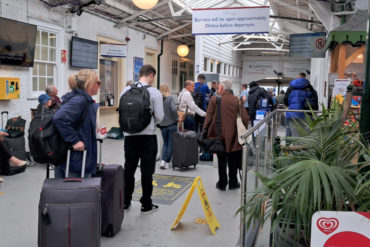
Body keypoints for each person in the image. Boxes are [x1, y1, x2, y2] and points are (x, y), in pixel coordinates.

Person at [121, 64, 164, 214]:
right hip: (148, 137)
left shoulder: (126, 90)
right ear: (151, 75)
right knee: (147, 172)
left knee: (129, 170)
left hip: (129, 137)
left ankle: (125, 202)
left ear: (140, 74)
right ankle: (146, 204)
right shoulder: (154, 92)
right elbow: (159, 117)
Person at [53, 69, 101, 178]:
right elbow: (59, 118)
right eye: (98, 82)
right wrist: (74, 140)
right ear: (89, 84)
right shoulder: (80, 100)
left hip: (75, 158)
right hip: (76, 159)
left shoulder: (80, 99)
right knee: (75, 192)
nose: (99, 86)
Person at [203, 80, 249, 191]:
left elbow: (208, 117)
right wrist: (242, 129)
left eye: (219, 88)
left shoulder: (214, 99)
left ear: (222, 88)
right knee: (233, 159)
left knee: (221, 159)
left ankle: (222, 182)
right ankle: (233, 182)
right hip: (234, 134)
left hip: (218, 134)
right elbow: (245, 118)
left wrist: (205, 129)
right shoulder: (237, 100)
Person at [284, 72, 318, 137]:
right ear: (305, 78)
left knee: (294, 135)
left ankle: (293, 146)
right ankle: (302, 147)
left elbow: (286, 101)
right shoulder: (311, 88)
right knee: (305, 136)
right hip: (307, 115)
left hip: (293, 114)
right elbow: (315, 104)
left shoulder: (291, 88)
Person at [158, 83, 177, 169]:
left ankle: (162, 161)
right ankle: (167, 162)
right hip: (172, 124)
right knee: (170, 144)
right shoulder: (170, 98)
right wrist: (177, 118)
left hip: (162, 125)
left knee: (165, 143)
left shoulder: (158, 99)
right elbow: (173, 109)